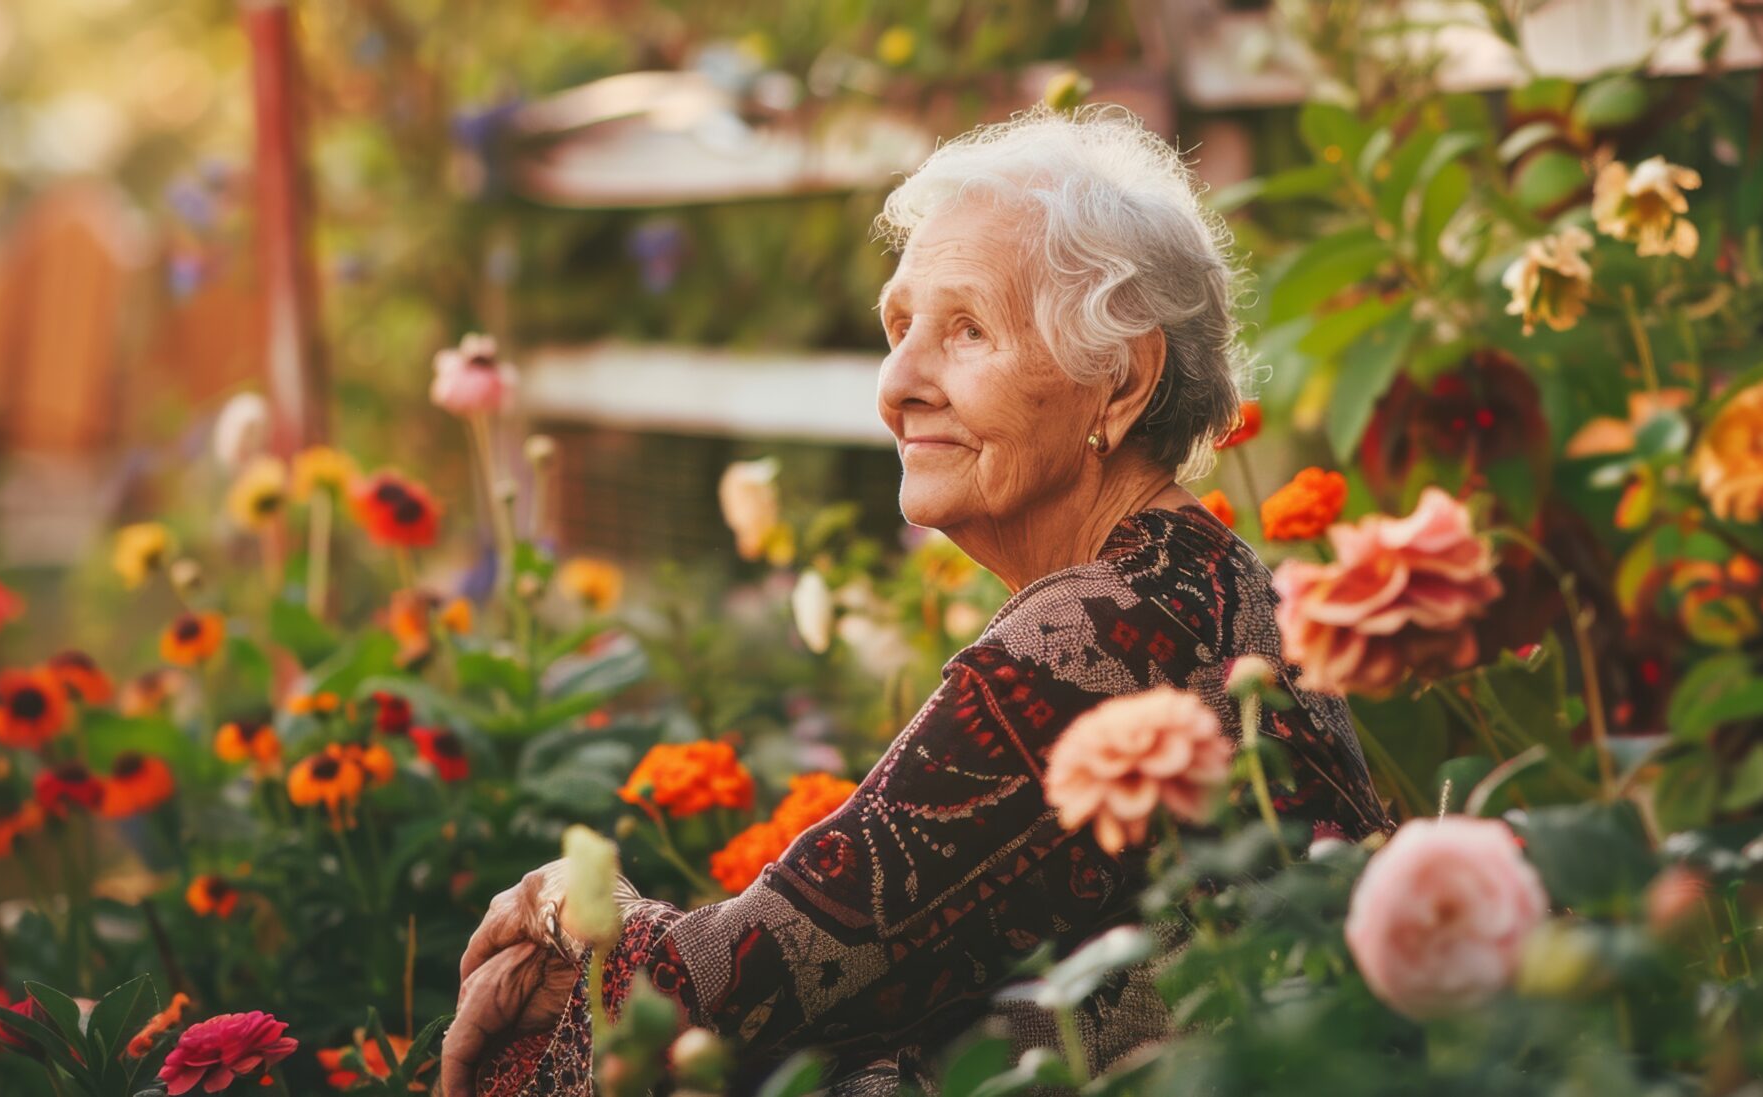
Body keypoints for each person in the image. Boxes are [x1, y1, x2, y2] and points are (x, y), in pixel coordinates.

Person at [444, 106, 1393, 1097]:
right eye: (900, 327)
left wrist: (564, 904)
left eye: (966, 329)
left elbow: (738, 982)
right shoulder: (1198, 578)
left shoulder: (1097, 637)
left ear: (1119, 379)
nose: (898, 384)